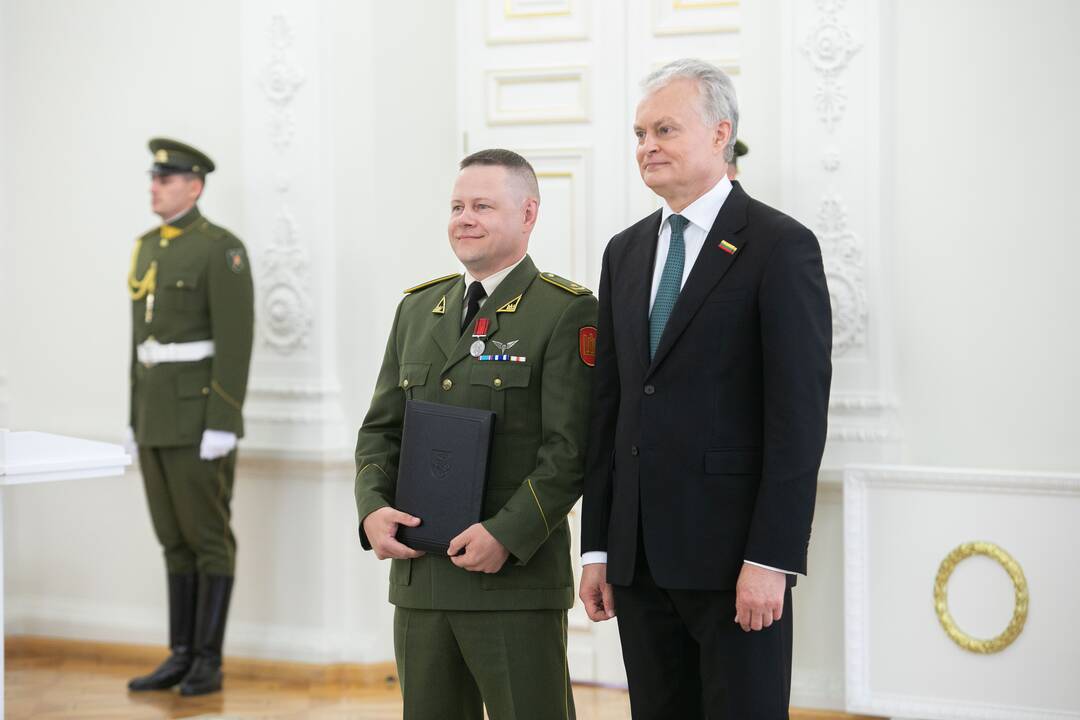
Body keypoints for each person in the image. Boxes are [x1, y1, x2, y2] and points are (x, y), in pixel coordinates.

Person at [578, 59, 832, 719]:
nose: (647, 146)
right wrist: (599, 546)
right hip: (638, 565)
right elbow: (610, 407)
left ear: (721, 133)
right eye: (638, 133)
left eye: (665, 129)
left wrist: (772, 558)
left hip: (733, 563)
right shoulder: (624, 252)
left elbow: (797, 419)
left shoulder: (780, 246)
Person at [354, 148, 596, 720]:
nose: (464, 218)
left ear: (529, 213)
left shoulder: (565, 312)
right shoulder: (417, 309)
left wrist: (505, 536)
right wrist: (372, 509)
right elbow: (380, 431)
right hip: (420, 578)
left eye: (483, 205)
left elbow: (571, 450)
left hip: (511, 580)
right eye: (458, 206)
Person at [126, 137, 254, 696]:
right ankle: (179, 654)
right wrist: (134, 418)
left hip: (200, 416)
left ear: (194, 185)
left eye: (166, 178)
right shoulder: (147, 247)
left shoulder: (220, 248)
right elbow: (139, 342)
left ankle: (208, 659)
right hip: (155, 415)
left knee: (207, 539)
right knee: (172, 539)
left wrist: (223, 419)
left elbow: (236, 339)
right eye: (154, 178)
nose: (154, 186)